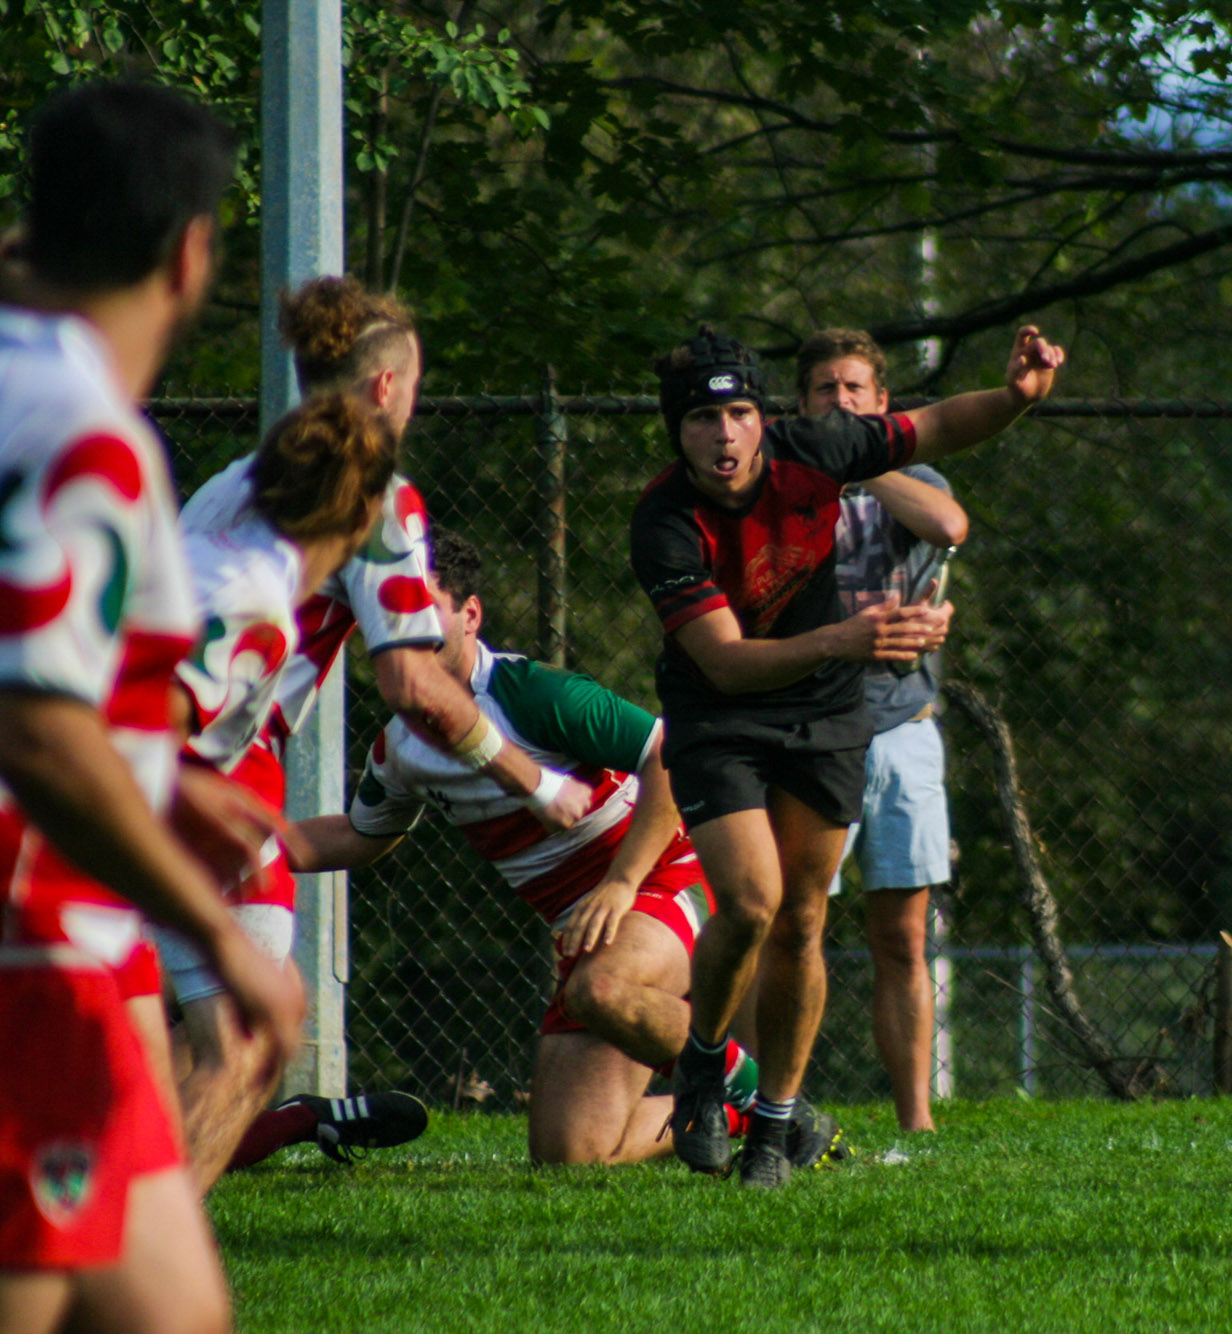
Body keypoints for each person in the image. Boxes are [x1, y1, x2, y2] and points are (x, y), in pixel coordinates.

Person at [0, 81, 303, 1334]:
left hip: (81, 957)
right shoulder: (84, 436)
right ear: (190, 252)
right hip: (31, 948)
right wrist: (221, 937)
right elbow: (34, 726)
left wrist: (163, 780)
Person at [632, 322, 1062, 1186]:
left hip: (824, 713)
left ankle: (774, 1122)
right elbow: (724, 661)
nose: (725, 435)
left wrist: (1016, 399)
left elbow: (938, 426)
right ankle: (704, 1062)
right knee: (749, 902)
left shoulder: (818, 447)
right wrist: (845, 638)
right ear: (678, 433)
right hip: (721, 714)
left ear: (764, 418)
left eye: (740, 415)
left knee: (802, 919)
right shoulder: (664, 520)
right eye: (703, 421)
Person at [282, 531, 853, 1171]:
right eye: (391, 611)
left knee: (601, 988)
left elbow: (669, 755)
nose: (405, 629)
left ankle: (781, 1111)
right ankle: (735, 1111)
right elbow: (361, 834)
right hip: (590, 929)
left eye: (423, 608)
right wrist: (238, 856)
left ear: (470, 615)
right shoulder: (399, 748)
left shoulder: (531, 693)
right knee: (570, 1154)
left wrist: (621, 881)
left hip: (664, 877)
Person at [206, 277, 594, 1173]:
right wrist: (538, 781)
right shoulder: (378, 498)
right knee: (248, 1033)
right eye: (415, 385)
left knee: (157, 1022)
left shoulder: (234, 481)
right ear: (387, 388)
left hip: (101, 742)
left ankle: (243, 1145)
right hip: (215, 763)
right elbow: (414, 682)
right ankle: (128, 1232)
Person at [157, 393, 422, 1192]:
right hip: (93, 802)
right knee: (242, 1040)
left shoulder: (220, 527)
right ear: (361, 521)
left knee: (153, 1043)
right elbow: (130, 731)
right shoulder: (255, 606)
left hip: (108, 795)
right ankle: (134, 1233)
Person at [798, 328, 969, 1134]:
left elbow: (949, 525)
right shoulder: (776, 479)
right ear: (799, 405)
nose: (839, 402)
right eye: (824, 390)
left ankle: (917, 1121)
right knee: (793, 926)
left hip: (903, 729)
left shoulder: (912, 476)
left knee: (903, 937)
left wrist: (862, 460)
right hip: (806, 727)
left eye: (854, 390)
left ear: (881, 403)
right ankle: (771, 1108)